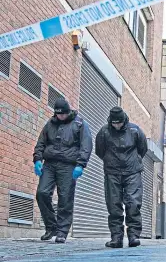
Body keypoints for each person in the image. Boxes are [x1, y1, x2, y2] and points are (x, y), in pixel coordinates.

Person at [33, 98, 92, 243]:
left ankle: (62, 231)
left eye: (63, 114)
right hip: (49, 164)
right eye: (58, 115)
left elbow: (86, 145)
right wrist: (37, 160)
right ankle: (51, 226)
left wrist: (80, 164)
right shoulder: (50, 124)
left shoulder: (79, 124)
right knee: (42, 193)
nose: (60, 117)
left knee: (65, 197)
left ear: (68, 112)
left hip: (68, 165)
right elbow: (41, 143)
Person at [95, 107, 148, 248]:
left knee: (133, 203)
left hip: (132, 171)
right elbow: (100, 151)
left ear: (124, 120)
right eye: (114, 123)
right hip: (112, 172)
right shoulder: (104, 132)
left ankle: (134, 236)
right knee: (113, 204)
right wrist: (110, 160)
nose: (116, 125)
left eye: (119, 123)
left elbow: (143, 149)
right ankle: (116, 237)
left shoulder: (135, 131)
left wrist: (133, 160)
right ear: (110, 121)